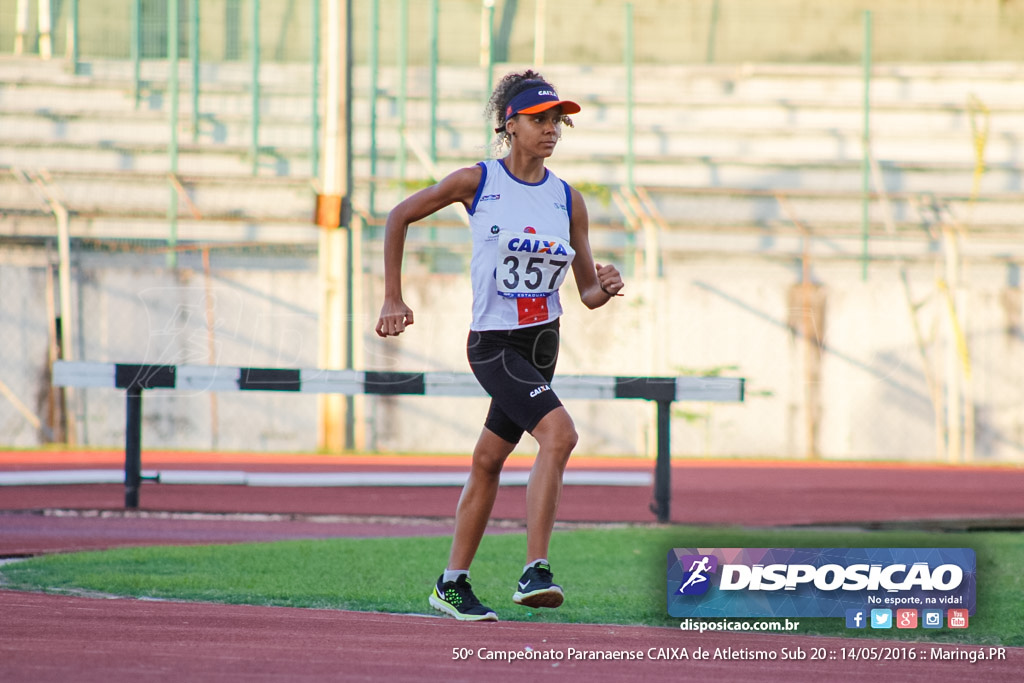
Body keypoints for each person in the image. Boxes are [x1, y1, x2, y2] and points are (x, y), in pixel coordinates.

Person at [375, 69, 624, 622]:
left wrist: (603, 285)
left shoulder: (568, 199)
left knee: (488, 460)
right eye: (539, 120)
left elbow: (585, 293)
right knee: (559, 434)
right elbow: (398, 217)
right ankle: (536, 570)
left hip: (543, 345)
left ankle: (451, 584)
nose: (551, 129)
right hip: (494, 345)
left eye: (557, 120)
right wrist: (394, 297)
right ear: (509, 125)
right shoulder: (477, 182)